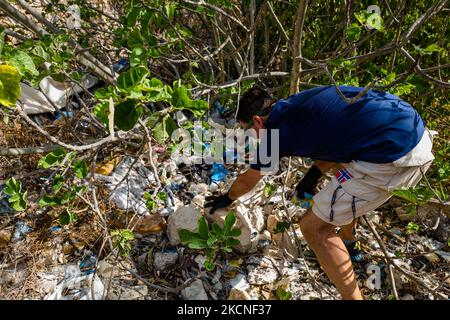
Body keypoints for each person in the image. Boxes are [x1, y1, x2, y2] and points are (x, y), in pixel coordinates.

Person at [204, 85, 435, 300]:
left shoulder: (274, 133)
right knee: (341, 177)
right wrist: (314, 173)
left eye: (248, 132)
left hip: (394, 158)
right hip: (414, 130)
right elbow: (338, 135)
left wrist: (227, 198)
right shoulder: (298, 103)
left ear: (257, 120)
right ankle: (349, 240)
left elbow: (249, 179)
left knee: (314, 227)